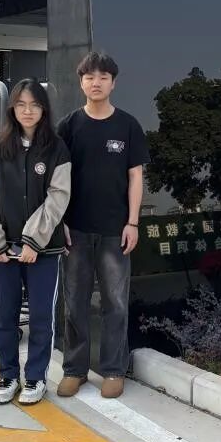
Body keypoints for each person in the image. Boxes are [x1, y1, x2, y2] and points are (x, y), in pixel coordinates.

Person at [56, 52, 149, 399]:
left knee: (115, 303)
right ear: (81, 82)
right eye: (89, 77)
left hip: (115, 230)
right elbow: (56, 179)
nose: (96, 83)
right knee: (75, 302)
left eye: (103, 77)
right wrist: (60, 222)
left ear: (113, 83)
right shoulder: (68, 126)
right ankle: (74, 370)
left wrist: (133, 222)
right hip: (75, 230)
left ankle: (113, 370)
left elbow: (135, 176)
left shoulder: (127, 125)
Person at [0, 79, 71, 405]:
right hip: (3, 252)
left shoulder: (57, 148)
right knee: (5, 316)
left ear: (43, 109)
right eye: (21, 105)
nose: (27, 111)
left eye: (34, 105)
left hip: (43, 251)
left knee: (41, 318)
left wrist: (33, 241)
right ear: (12, 109)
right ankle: (7, 375)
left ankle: (35, 378)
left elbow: (58, 197)